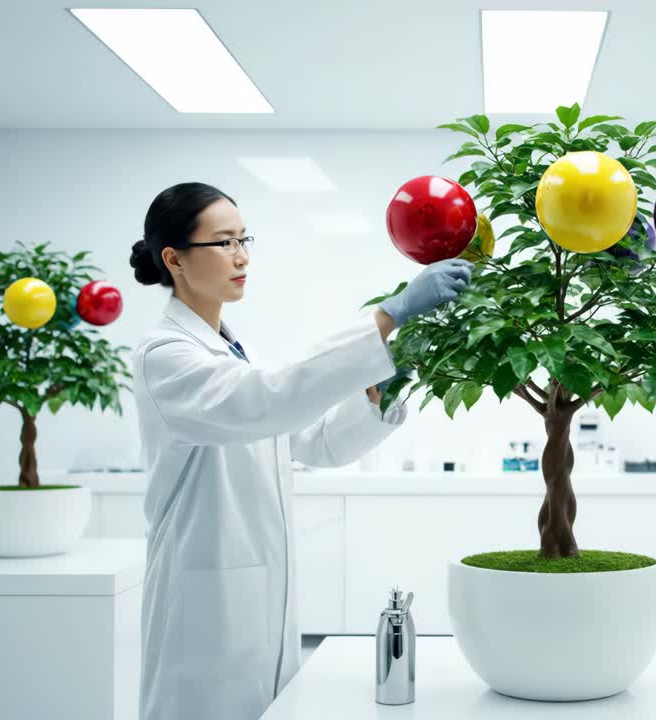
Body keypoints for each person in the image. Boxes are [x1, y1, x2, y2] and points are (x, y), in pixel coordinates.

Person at [127, 182, 471, 720]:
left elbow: (318, 443)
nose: (241, 256)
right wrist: (387, 316)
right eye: (223, 243)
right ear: (174, 259)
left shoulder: (236, 352)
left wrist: (381, 387)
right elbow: (267, 400)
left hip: (258, 590)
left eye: (244, 239)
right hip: (203, 599)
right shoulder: (165, 355)